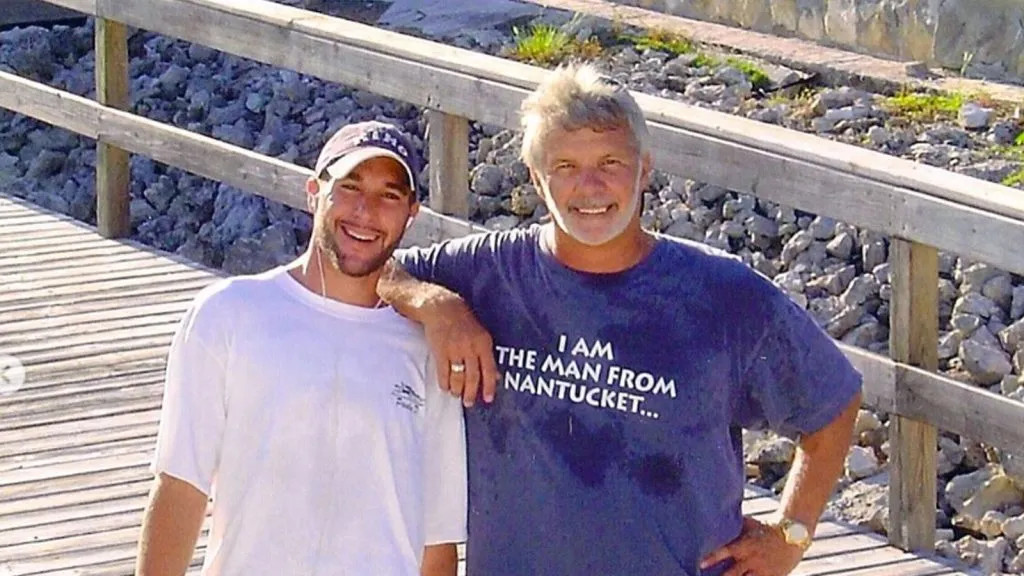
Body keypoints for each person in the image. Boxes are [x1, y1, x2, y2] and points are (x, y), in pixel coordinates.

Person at [378, 63, 863, 576]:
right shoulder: (487, 272)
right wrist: (435, 303)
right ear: (537, 181)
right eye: (565, 166)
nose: (590, 186)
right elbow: (378, 272)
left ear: (645, 169)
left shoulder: (724, 295)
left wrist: (791, 534)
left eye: (610, 162)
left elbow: (834, 404)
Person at [135, 121, 467, 576]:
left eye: (389, 195)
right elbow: (179, 486)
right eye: (349, 187)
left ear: (412, 212)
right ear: (314, 192)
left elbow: (437, 539)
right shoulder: (228, 313)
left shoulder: (428, 347)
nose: (365, 211)